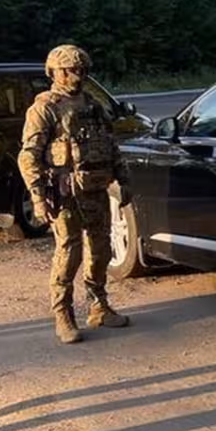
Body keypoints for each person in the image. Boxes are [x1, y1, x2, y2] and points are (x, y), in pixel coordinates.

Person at [18, 45, 132, 344]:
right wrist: (38, 197)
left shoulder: (93, 105)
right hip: (64, 192)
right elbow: (28, 156)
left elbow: (110, 144)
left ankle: (99, 306)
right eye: (69, 70)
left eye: (81, 70)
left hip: (95, 188)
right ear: (54, 72)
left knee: (100, 249)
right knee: (69, 252)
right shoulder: (45, 108)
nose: (76, 75)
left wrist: (123, 179)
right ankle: (63, 313)